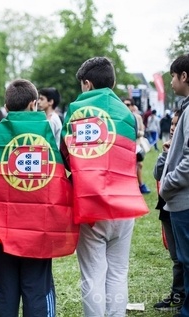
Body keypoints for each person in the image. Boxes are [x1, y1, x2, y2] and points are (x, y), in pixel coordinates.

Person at [0, 79, 79, 317]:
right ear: (34, 103)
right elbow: (60, 181)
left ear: (6, 105)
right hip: (39, 231)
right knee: (38, 291)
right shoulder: (46, 133)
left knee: (5, 294)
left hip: (2, 232)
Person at [61, 57, 149, 316]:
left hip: (90, 204)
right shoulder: (128, 114)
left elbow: (66, 155)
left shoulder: (76, 111)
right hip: (124, 201)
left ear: (87, 84)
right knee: (118, 271)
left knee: (92, 274)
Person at [159, 53, 189, 317]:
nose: (170, 83)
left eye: (172, 77)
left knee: (186, 259)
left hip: (183, 199)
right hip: (180, 197)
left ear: (184, 76)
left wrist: (168, 183)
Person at [154, 109, 184, 313]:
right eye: (172, 125)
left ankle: (181, 295)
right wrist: (165, 154)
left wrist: (167, 184)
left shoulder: (184, 149)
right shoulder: (169, 148)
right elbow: (157, 173)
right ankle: (177, 293)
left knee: (183, 258)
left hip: (181, 206)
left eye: (176, 125)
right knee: (176, 257)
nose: (173, 128)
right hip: (166, 208)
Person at [123, 98, 151, 194]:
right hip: (125, 145)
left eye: (128, 104)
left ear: (132, 106)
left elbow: (142, 131)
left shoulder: (137, 117)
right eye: (124, 104)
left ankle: (140, 185)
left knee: (139, 164)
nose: (126, 106)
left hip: (136, 145)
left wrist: (133, 132)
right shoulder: (120, 117)